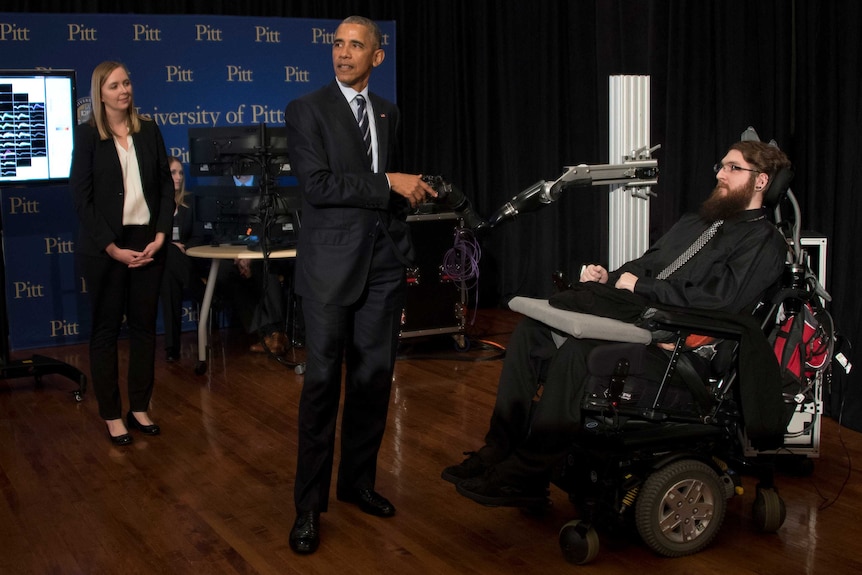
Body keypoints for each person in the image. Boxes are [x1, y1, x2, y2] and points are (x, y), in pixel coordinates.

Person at [442, 140, 792, 507]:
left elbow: (721, 301)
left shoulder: (765, 242)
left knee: (579, 352)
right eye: (720, 166)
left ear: (761, 181)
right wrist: (610, 277)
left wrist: (642, 287)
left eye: (733, 168)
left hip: (679, 349)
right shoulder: (697, 222)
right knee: (531, 333)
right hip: (640, 323)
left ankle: (528, 474)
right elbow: (645, 264)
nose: (720, 174)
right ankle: (499, 447)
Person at [283, 15, 437, 555]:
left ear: (377, 56)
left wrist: (407, 192)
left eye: (356, 45)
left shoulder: (388, 112)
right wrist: (389, 183)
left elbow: (378, 191)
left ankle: (357, 483)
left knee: (374, 381)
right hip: (329, 271)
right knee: (322, 387)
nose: (343, 53)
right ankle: (308, 507)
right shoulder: (306, 110)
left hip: (384, 265)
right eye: (337, 44)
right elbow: (320, 187)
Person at [70, 61, 175, 445]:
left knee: (146, 331)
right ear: (101, 93)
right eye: (115, 85)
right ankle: (112, 415)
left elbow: (165, 188)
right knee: (106, 332)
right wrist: (112, 248)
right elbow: (82, 200)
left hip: (149, 243)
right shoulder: (87, 137)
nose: (123, 91)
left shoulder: (149, 131)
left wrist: (161, 235)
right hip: (106, 249)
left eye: (127, 83)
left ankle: (140, 407)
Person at [160, 157, 206, 362]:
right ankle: (203, 295)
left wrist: (183, 248)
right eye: (173, 172)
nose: (178, 177)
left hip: (188, 260)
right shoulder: (157, 205)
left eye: (180, 173)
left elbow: (198, 236)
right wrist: (170, 246)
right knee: (169, 262)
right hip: (164, 260)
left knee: (170, 273)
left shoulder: (190, 204)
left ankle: (172, 347)